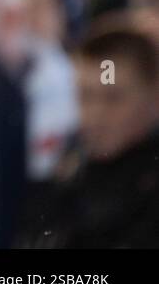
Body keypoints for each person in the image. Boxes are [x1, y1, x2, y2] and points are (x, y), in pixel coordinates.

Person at [16, 23, 159, 248]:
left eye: (114, 98)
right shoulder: (67, 175)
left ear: (153, 97)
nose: (96, 115)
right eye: (86, 96)